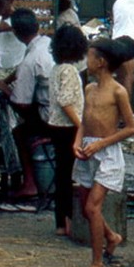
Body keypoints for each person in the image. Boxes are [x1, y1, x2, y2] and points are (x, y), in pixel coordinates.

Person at [73, 38, 134, 267]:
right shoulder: (89, 88)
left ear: (100, 62)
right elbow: (83, 120)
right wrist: (77, 141)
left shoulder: (118, 91)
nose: (86, 61)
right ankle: (112, 237)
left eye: (89, 57)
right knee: (85, 207)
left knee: (92, 207)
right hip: (87, 150)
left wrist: (101, 143)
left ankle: (97, 263)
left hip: (107, 153)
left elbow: (131, 128)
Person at [7, 8, 53, 201]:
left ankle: (30, 183)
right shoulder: (48, 44)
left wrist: (5, 89)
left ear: (16, 34)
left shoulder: (31, 60)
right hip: (69, 111)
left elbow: (22, 103)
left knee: (18, 129)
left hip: (52, 118)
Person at [47, 24, 88, 237]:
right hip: (67, 127)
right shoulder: (70, 71)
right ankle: (67, 221)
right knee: (68, 175)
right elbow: (66, 101)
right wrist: (81, 125)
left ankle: (61, 221)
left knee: (62, 174)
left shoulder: (56, 69)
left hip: (55, 124)